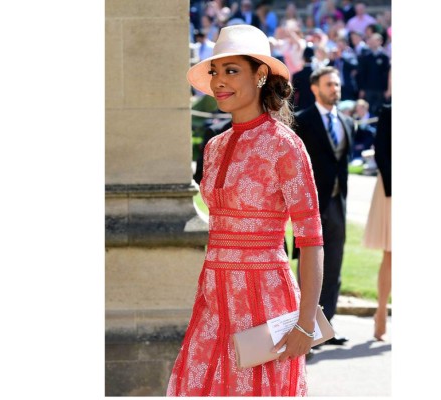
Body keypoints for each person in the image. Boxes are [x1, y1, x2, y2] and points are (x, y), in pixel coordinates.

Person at [167, 24, 324, 396]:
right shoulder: (214, 146)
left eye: (231, 70)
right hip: (214, 292)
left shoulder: (285, 146)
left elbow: (312, 238)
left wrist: (304, 325)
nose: (219, 81)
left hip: (265, 298)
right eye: (215, 72)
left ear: (261, 74)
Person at [293, 66, 354, 347]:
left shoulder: (346, 122)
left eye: (337, 85)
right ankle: (303, 328)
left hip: (338, 205)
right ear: (315, 88)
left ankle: (326, 326)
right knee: (309, 268)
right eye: (329, 84)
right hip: (310, 206)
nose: (335, 89)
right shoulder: (301, 121)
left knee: (334, 268)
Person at [362, 103, 391, 341]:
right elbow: (381, 151)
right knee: (391, 254)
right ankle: (381, 311)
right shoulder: (390, 111)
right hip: (392, 189)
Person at [357, 32, 390, 116]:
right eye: (371, 40)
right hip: (368, 88)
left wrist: (388, 89)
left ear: (380, 41)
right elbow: (362, 74)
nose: (372, 42)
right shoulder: (366, 56)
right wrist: (362, 88)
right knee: (369, 108)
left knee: (380, 109)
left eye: (375, 40)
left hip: (381, 89)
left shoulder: (385, 57)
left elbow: (388, 74)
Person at [292, 46, 316, 112]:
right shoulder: (318, 75)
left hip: (301, 108)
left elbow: (293, 94)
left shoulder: (297, 75)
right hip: (315, 108)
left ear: (303, 58)